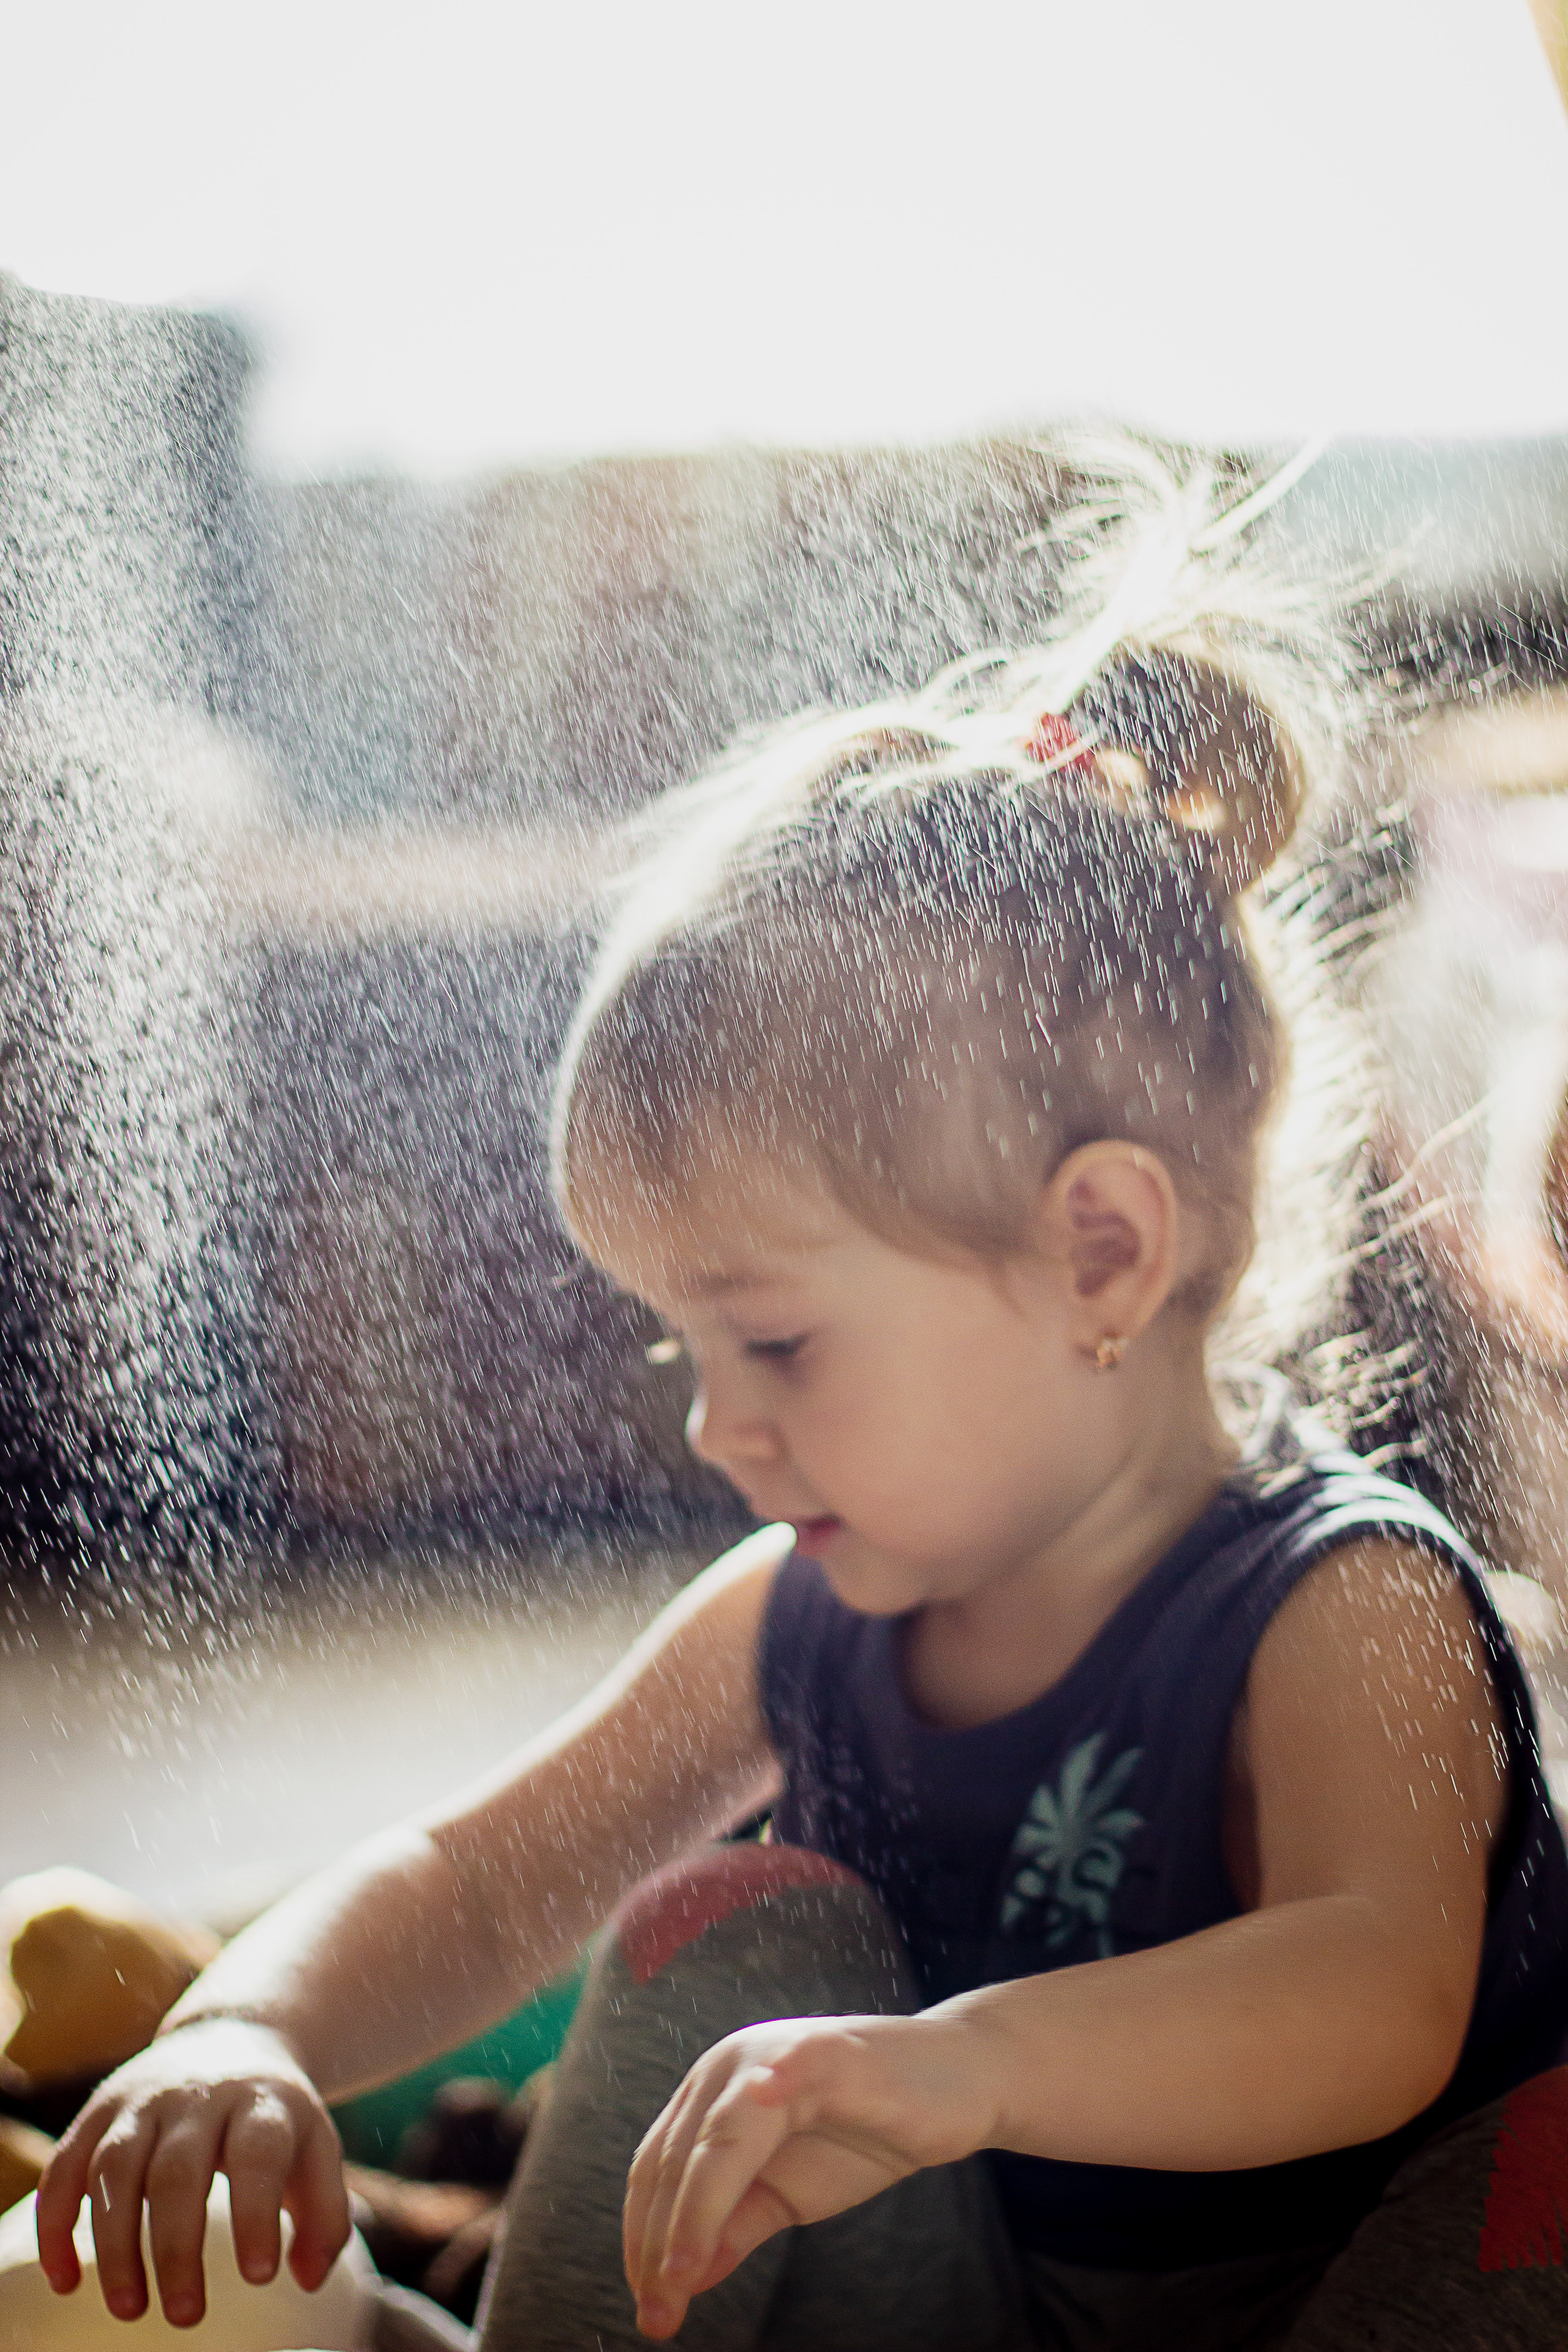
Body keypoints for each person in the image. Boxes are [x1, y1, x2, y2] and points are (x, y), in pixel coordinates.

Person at [34, 447, 1568, 2351]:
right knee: (724, 1928)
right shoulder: (809, 1613)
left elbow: (1379, 1996)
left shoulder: (1350, 1609)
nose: (710, 1423)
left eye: (774, 1341)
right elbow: (478, 1872)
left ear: (1102, 1256)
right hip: (996, 2300)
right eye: (685, 1347)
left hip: (1347, 2301)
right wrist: (245, 2026)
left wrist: (969, 2065)